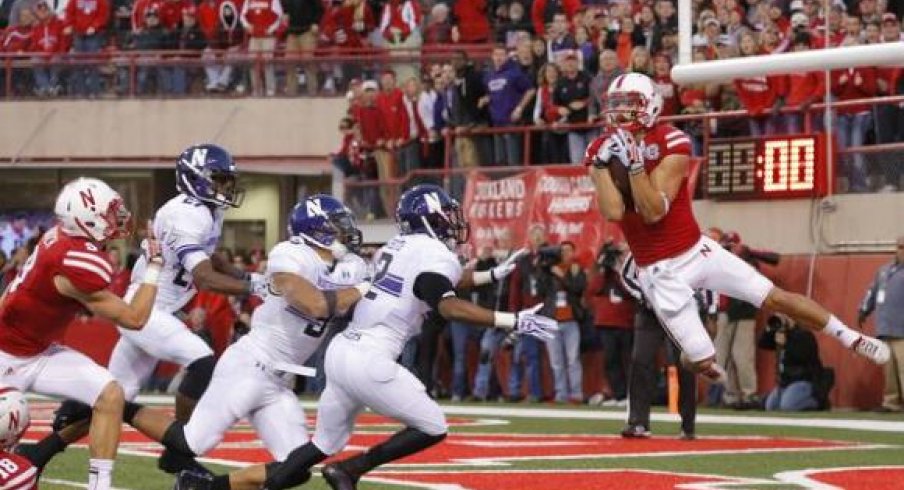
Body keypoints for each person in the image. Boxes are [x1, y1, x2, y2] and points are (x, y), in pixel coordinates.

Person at [174, 184, 557, 490]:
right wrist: (511, 320)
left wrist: (490, 276)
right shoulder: (433, 255)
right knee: (433, 426)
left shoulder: (399, 245)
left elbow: (424, 284)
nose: (453, 224)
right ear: (429, 219)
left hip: (341, 354)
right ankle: (353, 470)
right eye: (446, 216)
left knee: (316, 450)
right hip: (370, 359)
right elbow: (444, 302)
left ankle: (209, 488)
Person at [585, 73, 889, 386]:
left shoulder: (671, 140)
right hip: (660, 272)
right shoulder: (599, 149)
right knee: (701, 359)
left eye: (629, 105)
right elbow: (614, 210)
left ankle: (850, 337)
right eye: (615, 105)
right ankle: (695, 353)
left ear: (651, 106)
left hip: (697, 251)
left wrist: (635, 165)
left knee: (775, 297)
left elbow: (653, 212)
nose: (620, 114)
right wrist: (600, 168)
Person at [44, 144, 268, 476]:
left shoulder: (206, 211)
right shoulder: (185, 213)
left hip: (157, 309)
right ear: (197, 180)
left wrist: (244, 275)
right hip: (147, 309)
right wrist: (255, 286)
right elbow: (204, 277)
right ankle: (180, 449)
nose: (225, 187)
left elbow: (211, 256)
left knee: (114, 395)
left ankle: (37, 451)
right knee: (203, 363)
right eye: (219, 179)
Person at [0, 177, 164, 490]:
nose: (118, 219)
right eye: (110, 213)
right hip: (5, 357)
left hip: (38, 350)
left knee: (110, 395)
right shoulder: (74, 261)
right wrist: (155, 266)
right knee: (10, 423)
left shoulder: (59, 237)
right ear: (87, 219)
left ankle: (100, 486)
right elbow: (135, 318)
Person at [617, 251, 700, 439]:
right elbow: (626, 275)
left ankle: (688, 425)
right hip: (649, 314)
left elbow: (705, 276)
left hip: (679, 312)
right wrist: (644, 295)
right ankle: (638, 422)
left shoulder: (686, 245)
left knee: (685, 366)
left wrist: (707, 308)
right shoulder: (640, 245)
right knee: (640, 361)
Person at [859, 235, 904, 412]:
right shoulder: (884, 271)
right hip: (885, 328)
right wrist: (863, 309)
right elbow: (872, 291)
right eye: (900, 247)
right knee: (889, 371)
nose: (902, 250)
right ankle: (891, 403)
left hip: (902, 330)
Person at [759, 314, 826, 411]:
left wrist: (786, 344)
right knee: (771, 407)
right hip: (785, 383)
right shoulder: (780, 335)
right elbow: (763, 344)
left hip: (803, 381)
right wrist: (769, 328)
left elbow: (801, 356)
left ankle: (817, 402)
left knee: (787, 406)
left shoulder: (805, 335)